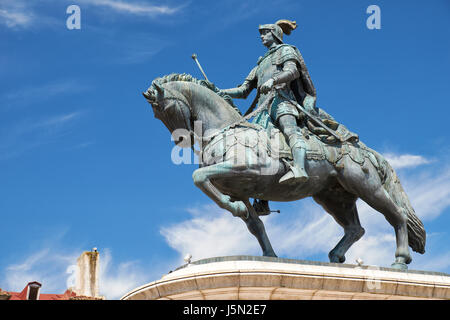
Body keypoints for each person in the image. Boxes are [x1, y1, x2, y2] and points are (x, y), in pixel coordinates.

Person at [219, 20, 317, 184]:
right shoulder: (260, 64)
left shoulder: (286, 50)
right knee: (257, 150)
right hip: (262, 110)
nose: (262, 36)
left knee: (290, 130)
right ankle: (262, 198)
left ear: (275, 34)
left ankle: (300, 168)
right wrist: (219, 92)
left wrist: (273, 80)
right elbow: (243, 91)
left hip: (283, 101)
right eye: (261, 34)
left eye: (265, 33)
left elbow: (292, 71)